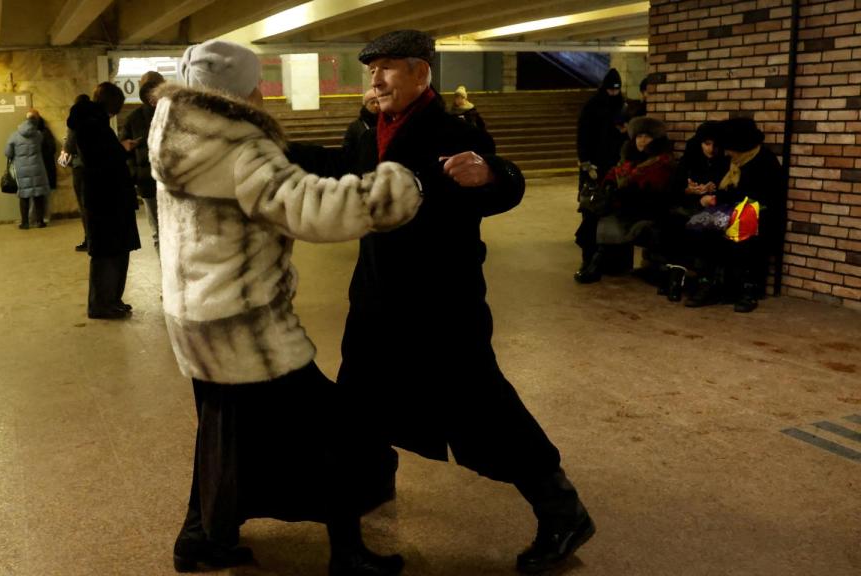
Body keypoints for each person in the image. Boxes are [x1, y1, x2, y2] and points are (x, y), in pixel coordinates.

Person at [289, 29, 595, 575]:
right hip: (377, 303)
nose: (375, 80)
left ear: (420, 72)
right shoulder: (367, 129)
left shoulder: (454, 129)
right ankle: (356, 525)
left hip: (441, 309)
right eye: (371, 70)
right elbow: (343, 166)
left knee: (484, 414)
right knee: (355, 412)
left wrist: (491, 174)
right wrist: (271, 148)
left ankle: (562, 509)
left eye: (386, 68)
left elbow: (505, 182)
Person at [148, 39, 422, 576]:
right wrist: (395, 190)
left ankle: (199, 539)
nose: (262, 92)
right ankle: (347, 554)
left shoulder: (174, 130)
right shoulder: (240, 147)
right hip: (246, 326)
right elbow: (308, 209)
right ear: (242, 88)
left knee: (219, 436)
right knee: (342, 432)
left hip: (195, 320)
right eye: (257, 82)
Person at [684, 117, 786, 313]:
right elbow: (726, 190)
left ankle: (748, 289)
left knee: (743, 237)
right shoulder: (732, 161)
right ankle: (709, 283)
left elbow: (764, 197)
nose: (725, 151)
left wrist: (728, 202)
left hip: (758, 216)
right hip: (732, 210)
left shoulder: (764, 160)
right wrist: (711, 196)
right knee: (700, 227)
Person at [67, 83, 141, 319]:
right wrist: (122, 149)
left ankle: (112, 299)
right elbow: (101, 160)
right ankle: (101, 304)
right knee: (107, 253)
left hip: (110, 197)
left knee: (117, 251)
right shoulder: (91, 125)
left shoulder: (94, 123)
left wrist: (119, 149)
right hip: (105, 198)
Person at [577, 116, 676, 285]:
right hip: (623, 204)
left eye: (647, 137)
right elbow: (612, 175)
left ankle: (594, 264)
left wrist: (619, 193)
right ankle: (591, 261)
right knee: (591, 213)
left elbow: (652, 189)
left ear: (656, 139)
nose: (642, 141)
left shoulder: (661, 162)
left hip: (644, 208)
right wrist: (609, 186)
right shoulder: (628, 159)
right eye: (639, 136)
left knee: (599, 215)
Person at [659, 121, 729, 300]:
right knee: (674, 222)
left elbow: (729, 192)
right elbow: (675, 188)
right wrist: (689, 191)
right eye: (707, 144)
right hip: (690, 207)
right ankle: (675, 277)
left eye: (715, 145)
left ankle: (675, 279)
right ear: (700, 143)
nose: (711, 149)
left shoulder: (725, 161)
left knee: (689, 226)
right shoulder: (690, 158)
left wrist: (713, 193)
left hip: (713, 210)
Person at [575, 68, 628, 282]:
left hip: (615, 168)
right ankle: (589, 258)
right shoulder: (593, 106)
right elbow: (583, 134)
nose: (613, 93)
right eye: (610, 89)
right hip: (594, 169)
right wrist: (586, 163)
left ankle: (608, 261)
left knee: (610, 212)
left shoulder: (621, 107)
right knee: (591, 209)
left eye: (616, 90)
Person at [121, 71, 166, 252]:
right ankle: (165, 271)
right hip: (147, 180)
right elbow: (125, 148)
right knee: (157, 231)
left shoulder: (173, 112)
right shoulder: (134, 118)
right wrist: (134, 173)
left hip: (171, 181)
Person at [4, 110, 52, 229]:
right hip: (37, 168)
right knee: (38, 194)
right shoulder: (39, 135)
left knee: (24, 196)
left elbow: (8, 153)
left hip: (22, 169)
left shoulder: (14, 135)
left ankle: (25, 223)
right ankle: (40, 221)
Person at [62, 96, 89, 251]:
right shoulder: (100, 121)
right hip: (97, 168)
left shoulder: (75, 122)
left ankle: (89, 239)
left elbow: (70, 146)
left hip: (80, 168)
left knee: (84, 205)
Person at [342, 88, 380, 167]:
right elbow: (347, 150)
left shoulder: (386, 123)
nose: (376, 105)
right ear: (365, 105)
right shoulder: (355, 126)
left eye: (378, 102)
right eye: (372, 102)